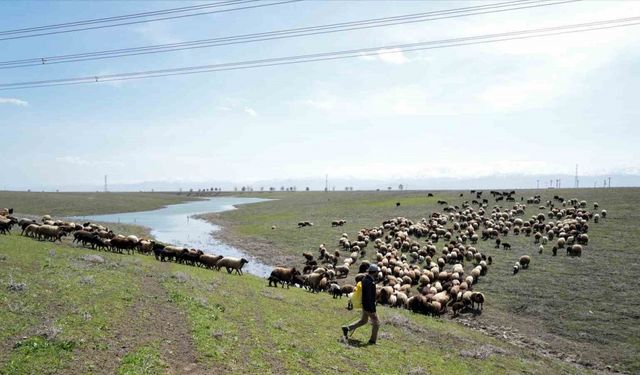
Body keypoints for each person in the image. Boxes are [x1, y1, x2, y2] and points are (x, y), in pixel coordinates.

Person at [342, 264, 380, 344]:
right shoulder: (371, 282)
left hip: (364, 304)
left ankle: (347, 328)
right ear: (375, 272)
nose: (378, 273)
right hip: (369, 306)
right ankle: (372, 341)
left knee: (363, 320)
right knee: (376, 323)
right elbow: (369, 297)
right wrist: (372, 308)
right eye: (377, 272)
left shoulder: (365, 279)